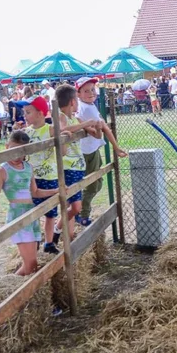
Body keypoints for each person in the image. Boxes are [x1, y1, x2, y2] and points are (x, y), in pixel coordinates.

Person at [0, 131, 59, 275]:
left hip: (31, 214)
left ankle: (19, 287)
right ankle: (14, 287)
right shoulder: (2, 171)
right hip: (17, 216)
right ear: (6, 147)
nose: (17, 156)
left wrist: (55, 190)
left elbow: (35, 192)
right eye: (13, 150)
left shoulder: (28, 167)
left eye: (21, 152)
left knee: (32, 265)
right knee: (30, 265)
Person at [52, 83, 104, 244]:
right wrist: (85, 124)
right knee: (72, 205)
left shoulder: (76, 118)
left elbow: (95, 135)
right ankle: (58, 232)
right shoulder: (61, 116)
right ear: (72, 102)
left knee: (74, 206)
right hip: (68, 167)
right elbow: (62, 129)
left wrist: (98, 127)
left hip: (78, 166)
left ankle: (65, 232)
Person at [73, 77, 126, 225]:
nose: (91, 93)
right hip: (86, 151)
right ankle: (81, 214)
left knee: (95, 182)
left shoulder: (90, 106)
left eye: (92, 89)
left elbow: (103, 126)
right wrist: (91, 128)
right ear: (78, 94)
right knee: (92, 184)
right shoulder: (84, 108)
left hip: (92, 149)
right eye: (86, 91)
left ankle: (78, 211)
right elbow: (98, 131)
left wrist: (116, 147)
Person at [18, 96, 63, 253]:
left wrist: (63, 139)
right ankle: (35, 241)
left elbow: (62, 151)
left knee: (50, 214)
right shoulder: (25, 132)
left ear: (40, 113)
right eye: (24, 112)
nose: (25, 115)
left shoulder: (49, 130)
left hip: (49, 176)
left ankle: (49, 243)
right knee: (34, 213)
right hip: (32, 178)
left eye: (28, 112)